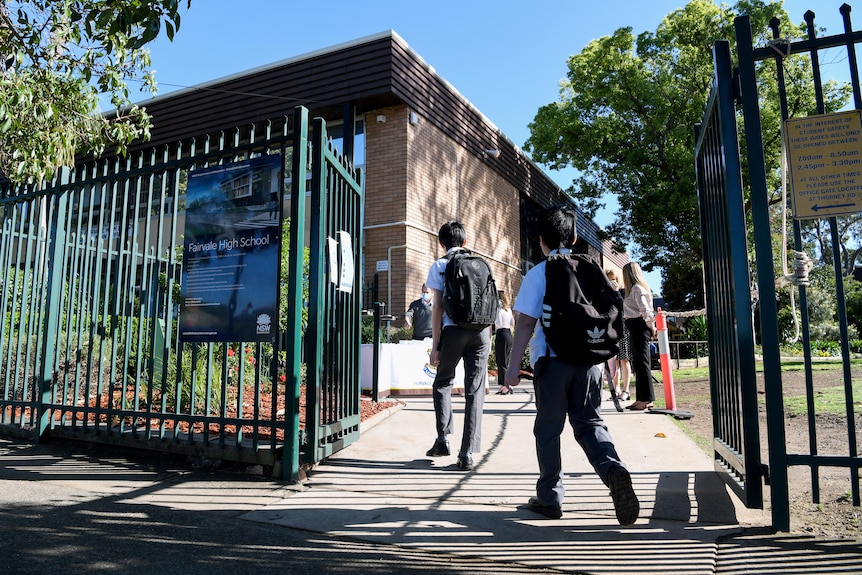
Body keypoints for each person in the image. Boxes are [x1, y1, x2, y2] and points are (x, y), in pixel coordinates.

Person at [504, 206, 639, 526]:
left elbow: (524, 325)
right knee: (590, 423)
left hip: (552, 362)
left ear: (540, 241)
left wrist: (512, 369)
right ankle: (613, 470)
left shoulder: (539, 273)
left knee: (548, 429)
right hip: (590, 363)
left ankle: (550, 497)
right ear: (576, 237)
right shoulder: (590, 268)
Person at [424, 221, 491, 471]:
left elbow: (438, 307)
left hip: (454, 330)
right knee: (475, 391)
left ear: (442, 243)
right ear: (465, 241)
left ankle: (443, 439)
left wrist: (435, 345)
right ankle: (466, 453)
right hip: (482, 332)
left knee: (443, 382)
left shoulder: (440, 265)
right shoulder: (481, 263)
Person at [622, 262, 656, 411]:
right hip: (634, 326)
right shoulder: (633, 290)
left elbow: (646, 309)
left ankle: (647, 399)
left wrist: (651, 326)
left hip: (639, 326)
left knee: (642, 362)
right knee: (638, 362)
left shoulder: (637, 289)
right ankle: (641, 397)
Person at [605, 269, 631, 401]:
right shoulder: (605, 293)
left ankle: (626, 390)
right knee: (613, 361)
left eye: (612, 279)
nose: (611, 282)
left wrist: (616, 292)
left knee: (624, 359)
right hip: (611, 329)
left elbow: (623, 307)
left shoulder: (622, 292)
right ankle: (616, 389)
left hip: (623, 328)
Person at [494, 292, 515, 395]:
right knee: (506, 360)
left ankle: (504, 385)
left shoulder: (499, 311)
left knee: (501, 360)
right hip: (508, 333)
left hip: (501, 333)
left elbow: (497, 323)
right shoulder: (509, 311)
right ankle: (505, 384)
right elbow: (513, 323)